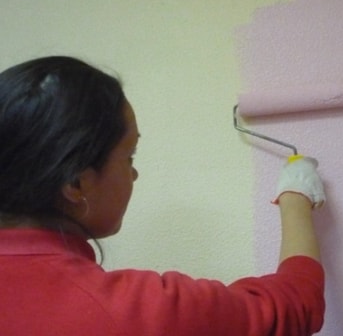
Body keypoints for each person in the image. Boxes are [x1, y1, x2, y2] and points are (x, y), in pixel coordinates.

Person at [0, 56, 326, 335]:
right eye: (129, 156)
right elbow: (295, 304)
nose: (134, 174)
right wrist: (295, 197)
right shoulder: (130, 312)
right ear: (76, 183)